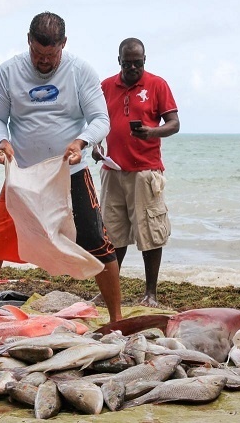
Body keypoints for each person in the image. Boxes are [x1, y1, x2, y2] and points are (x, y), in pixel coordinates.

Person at [0, 12, 122, 323]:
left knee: (98, 242)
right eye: (37, 54)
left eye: (50, 55)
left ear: (63, 45)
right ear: (28, 41)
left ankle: (117, 320)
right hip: (23, 175)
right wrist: (2, 141)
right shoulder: (9, 71)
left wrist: (81, 142)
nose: (43, 62)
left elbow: (100, 120)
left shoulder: (80, 71)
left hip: (69, 172)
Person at [93, 37, 180, 307]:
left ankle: (150, 294)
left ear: (145, 61)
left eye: (138, 63)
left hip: (146, 171)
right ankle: (109, 291)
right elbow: (96, 122)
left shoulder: (157, 84)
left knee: (150, 233)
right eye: (127, 63)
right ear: (119, 60)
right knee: (112, 233)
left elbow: (174, 123)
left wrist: (152, 132)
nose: (132, 68)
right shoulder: (106, 86)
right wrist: (96, 146)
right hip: (112, 169)